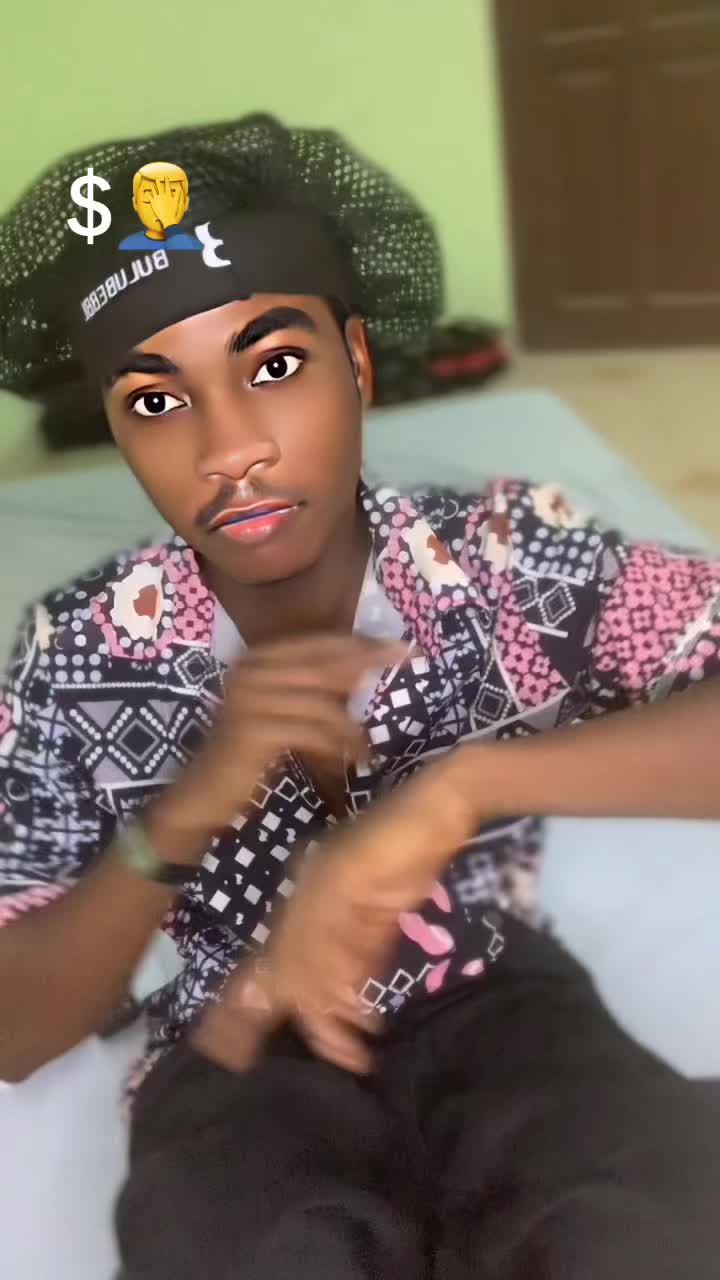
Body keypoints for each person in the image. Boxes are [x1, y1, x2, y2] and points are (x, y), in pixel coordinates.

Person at [0, 112, 718, 1280]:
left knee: (639, 1220)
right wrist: (180, 815)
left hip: (494, 990)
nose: (229, 448)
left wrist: (464, 786)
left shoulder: (502, 562)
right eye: (156, 400)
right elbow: (17, 1026)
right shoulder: (79, 651)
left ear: (360, 362)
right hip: (234, 1039)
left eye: (274, 365)